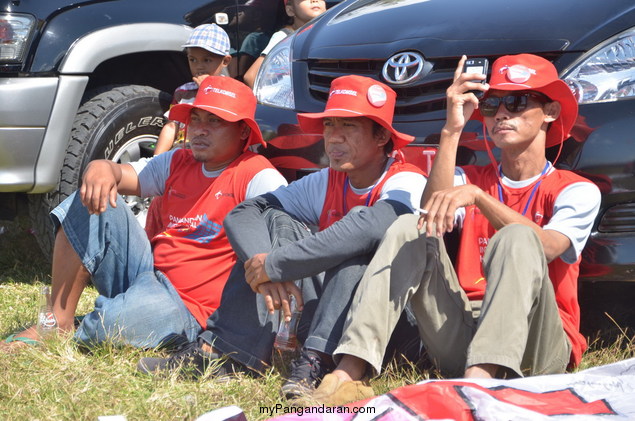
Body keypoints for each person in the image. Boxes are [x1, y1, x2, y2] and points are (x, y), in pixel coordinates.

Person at [314, 54, 602, 406]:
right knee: (409, 227)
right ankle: (347, 374)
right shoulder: (473, 180)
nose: (501, 114)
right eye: (493, 104)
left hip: (538, 345)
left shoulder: (575, 188)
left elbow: (549, 247)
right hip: (465, 333)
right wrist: (452, 130)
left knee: (516, 236)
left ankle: (477, 386)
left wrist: (479, 199)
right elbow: (428, 214)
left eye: (516, 101)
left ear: (551, 112)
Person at [137, 75, 427, 400]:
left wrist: (277, 264)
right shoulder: (326, 180)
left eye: (349, 126)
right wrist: (262, 264)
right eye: (329, 125)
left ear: (382, 136)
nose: (334, 137)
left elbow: (373, 227)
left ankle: (318, 360)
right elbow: (244, 213)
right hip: (330, 312)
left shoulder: (407, 180)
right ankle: (222, 349)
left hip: (392, 330)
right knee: (274, 219)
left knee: (357, 244)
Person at [1, 76, 287, 350]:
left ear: (243, 132)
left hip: (189, 307)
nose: (200, 129)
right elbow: (122, 175)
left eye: (215, 121)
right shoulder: (177, 160)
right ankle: (57, 322)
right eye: (196, 118)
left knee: (117, 325)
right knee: (91, 196)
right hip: (146, 273)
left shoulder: (258, 176)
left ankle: (101, 321)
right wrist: (101, 168)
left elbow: (286, 237)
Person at [153, 23, 232, 156]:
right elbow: (172, 126)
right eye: (193, 60)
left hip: (212, 156)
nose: (199, 66)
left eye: (207, 60)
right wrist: (156, 158)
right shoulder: (183, 92)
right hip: (181, 153)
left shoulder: (230, 91)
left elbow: (229, 127)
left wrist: (207, 90)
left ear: (225, 61)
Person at [243, 0, 326, 88]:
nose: (314, 1)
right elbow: (251, 77)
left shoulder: (330, 35)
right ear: (290, 10)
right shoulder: (284, 37)